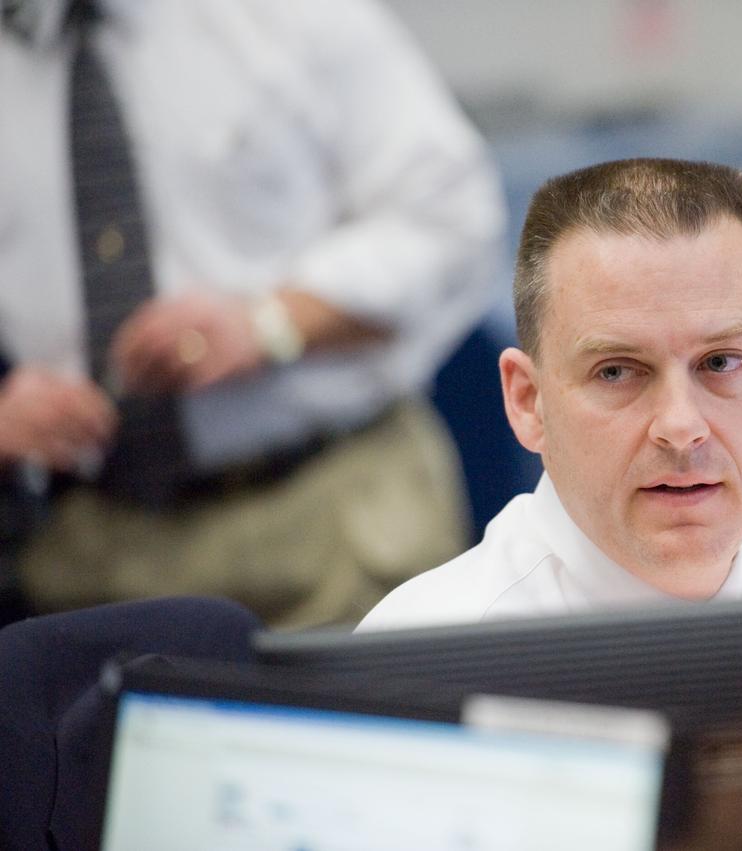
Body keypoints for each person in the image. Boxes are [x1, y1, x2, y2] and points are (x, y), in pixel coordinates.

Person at [0, 0, 505, 626]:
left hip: (330, 527)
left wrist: (269, 324)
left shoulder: (287, 18)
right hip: (83, 558)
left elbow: (454, 220)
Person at [358, 158, 742, 630]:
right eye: (617, 372)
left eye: (721, 363)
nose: (681, 428)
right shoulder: (425, 656)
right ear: (527, 401)